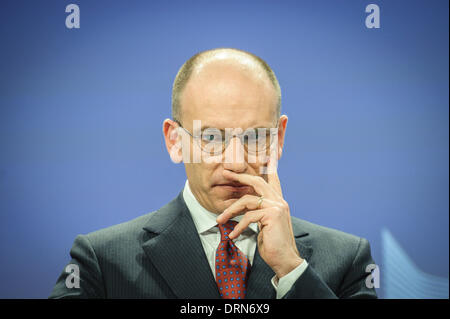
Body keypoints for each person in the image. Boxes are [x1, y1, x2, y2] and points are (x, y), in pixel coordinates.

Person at [49, 48, 377, 299]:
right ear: (174, 141)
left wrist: (291, 269)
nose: (235, 162)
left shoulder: (346, 259)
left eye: (254, 137)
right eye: (210, 138)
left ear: (278, 139)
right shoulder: (103, 261)